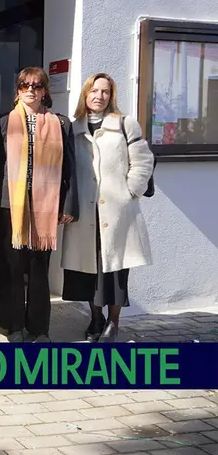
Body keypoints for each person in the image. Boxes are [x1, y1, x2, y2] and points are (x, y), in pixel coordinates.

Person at [61, 73, 153, 343]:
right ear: (85, 94)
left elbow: (143, 160)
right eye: (94, 90)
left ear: (111, 96)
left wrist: (131, 191)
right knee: (88, 270)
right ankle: (95, 317)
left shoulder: (125, 124)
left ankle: (113, 322)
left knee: (114, 270)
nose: (99, 96)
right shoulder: (74, 128)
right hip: (85, 213)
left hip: (116, 212)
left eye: (105, 91)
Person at [0, 67, 78, 343]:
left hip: (46, 205)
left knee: (39, 269)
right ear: (17, 90)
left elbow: (70, 168)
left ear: (45, 90)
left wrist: (68, 205)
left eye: (37, 86)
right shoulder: (4, 123)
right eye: (24, 85)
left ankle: (39, 328)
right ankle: (14, 326)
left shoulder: (61, 124)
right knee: (12, 267)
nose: (30, 90)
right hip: (11, 206)